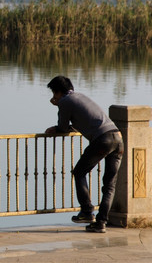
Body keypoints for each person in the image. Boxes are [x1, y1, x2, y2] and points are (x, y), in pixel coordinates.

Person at [45, 76, 124, 233]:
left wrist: (58, 106)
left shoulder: (65, 101)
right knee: (109, 184)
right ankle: (101, 222)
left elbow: (62, 127)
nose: (54, 97)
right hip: (118, 138)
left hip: (103, 140)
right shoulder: (79, 96)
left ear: (58, 91)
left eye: (54, 93)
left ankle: (87, 211)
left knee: (79, 172)